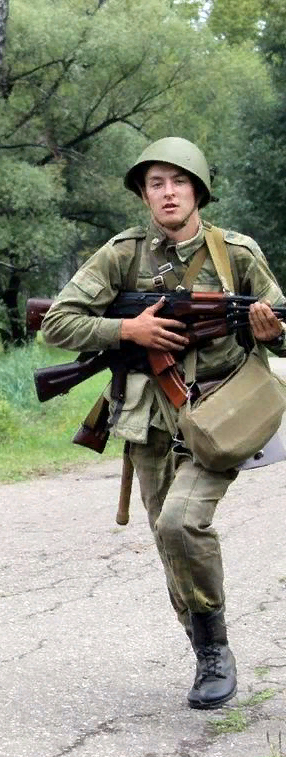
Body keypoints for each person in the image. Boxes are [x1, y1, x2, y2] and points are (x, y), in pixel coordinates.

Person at [41, 137, 286, 710]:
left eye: (178, 182)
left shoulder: (236, 255)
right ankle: (203, 650)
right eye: (156, 183)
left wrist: (270, 332)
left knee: (180, 523)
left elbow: (279, 318)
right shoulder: (124, 254)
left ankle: (214, 652)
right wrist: (127, 332)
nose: (168, 192)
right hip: (149, 422)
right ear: (144, 194)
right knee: (167, 540)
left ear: (197, 189)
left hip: (219, 418)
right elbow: (57, 322)